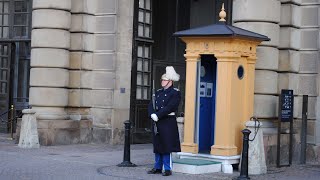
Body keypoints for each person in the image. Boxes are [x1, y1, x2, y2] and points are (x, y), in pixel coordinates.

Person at [147, 66, 181, 176]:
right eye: (162, 80)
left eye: (165, 80)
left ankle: (167, 168)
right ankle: (157, 167)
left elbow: (170, 107)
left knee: (166, 145)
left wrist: (158, 115)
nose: (162, 81)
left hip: (167, 121)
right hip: (157, 121)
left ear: (170, 81)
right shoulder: (158, 92)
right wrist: (152, 114)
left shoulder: (175, 93)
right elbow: (151, 104)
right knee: (157, 145)